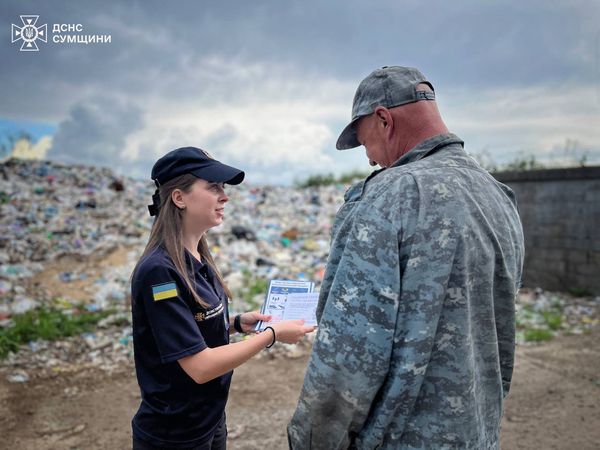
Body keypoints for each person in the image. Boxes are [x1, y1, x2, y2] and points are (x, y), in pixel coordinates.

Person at [287, 66, 525, 449]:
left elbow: (347, 360)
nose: (369, 160)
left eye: (366, 144)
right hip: (476, 435)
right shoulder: (499, 196)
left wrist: (310, 441)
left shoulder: (389, 197)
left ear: (383, 120)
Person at [130, 147, 315, 450]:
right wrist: (272, 335)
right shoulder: (159, 273)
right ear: (179, 198)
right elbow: (200, 366)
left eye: (223, 188)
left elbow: (190, 327)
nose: (224, 196)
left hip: (210, 420)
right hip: (174, 435)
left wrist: (239, 324)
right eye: (213, 187)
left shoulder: (197, 256)